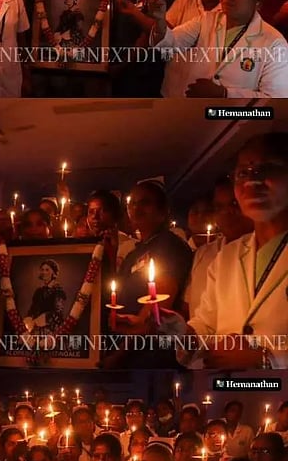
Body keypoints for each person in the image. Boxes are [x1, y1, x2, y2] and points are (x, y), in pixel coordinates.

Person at [179, 133, 288, 369]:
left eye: (266, 169)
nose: (251, 182)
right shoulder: (227, 256)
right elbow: (207, 324)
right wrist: (178, 332)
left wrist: (269, 360)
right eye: (242, 173)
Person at [150, 0, 288, 98]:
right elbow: (171, 43)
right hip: (191, 111)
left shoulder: (274, 43)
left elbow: (275, 99)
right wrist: (160, 21)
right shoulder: (207, 20)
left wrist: (224, 94)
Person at [109, 180, 192, 368]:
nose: (136, 209)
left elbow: (158, 308)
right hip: (127, 348)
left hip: (153, 353)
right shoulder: (133, 252)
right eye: (133, 203)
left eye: (145, 203)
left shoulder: (169, 245)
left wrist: (119, 355)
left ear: (163, 211)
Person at [185, 176, 254, 320]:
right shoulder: (203, 254)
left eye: (234, 204)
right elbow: (197, 313)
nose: (226, 212)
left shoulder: (263, 250)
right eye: (219, 207)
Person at [24, 259, 66, 335]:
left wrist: (37, 321)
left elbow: (57, 313)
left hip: (53, 330)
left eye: (47, 270)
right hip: (36, 329)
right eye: (42, 270)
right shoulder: (38, 291)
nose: (44, 272)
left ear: (53, 272)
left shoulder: (58, 291)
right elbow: (33, 308)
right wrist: (28, 319)